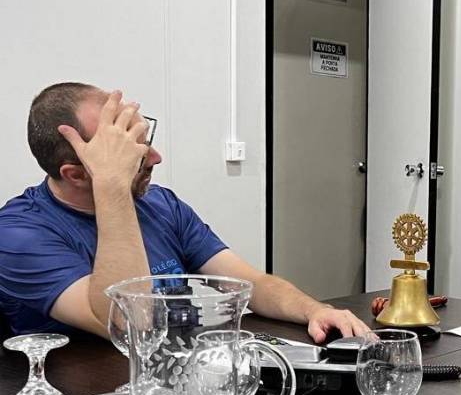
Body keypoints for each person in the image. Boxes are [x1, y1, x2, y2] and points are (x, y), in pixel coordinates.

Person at [0, 83, 370, 342]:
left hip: (177, 385)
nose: (156, 158)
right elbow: (129, 324)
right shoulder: (18, 234)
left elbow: (248, 283)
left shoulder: (161, 204)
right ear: (76, 174)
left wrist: (313, 310)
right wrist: (112, 186)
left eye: (146, 142)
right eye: (131, 154)